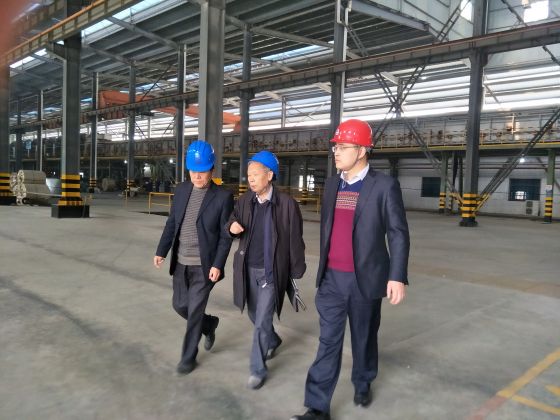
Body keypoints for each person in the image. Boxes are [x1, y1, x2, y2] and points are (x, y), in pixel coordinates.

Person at [291, 119, 410, 420]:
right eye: (336, 146)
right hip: (331, 279)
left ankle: (363, 379)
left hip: (364, 280)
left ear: (361, 150)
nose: (336, 151)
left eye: (343, 147)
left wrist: (396, 275)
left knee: (364, 336)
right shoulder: (333, 184)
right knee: (328, 343)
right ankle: (317, 407)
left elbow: (397, 233)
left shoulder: (384, 186)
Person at [226, 150, 306, 390]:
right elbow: (229, 221)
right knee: (253, 314)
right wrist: (231, 226)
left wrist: (296, 269)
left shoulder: (287, 205)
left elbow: (295, 239)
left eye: (255, 174)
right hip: (248, 269)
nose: (250, 179)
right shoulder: (244, 202)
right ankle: (273, 340)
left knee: (261, 321)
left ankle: (257, 369)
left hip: (271, 272)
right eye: (248, 174)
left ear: (269, 175)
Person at [154, 140, 234, 375]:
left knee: (195, 312)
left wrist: (218, 264)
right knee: (180, 305)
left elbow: (225, 236)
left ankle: (188, 358)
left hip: (204, 266)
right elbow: (172, 223)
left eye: (202, 171)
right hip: (181, 262)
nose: (197, 176)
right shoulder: (181, 191)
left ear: (212, 170)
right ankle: (209, 324)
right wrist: (161, 250)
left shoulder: (223, 197)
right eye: (193, 171)